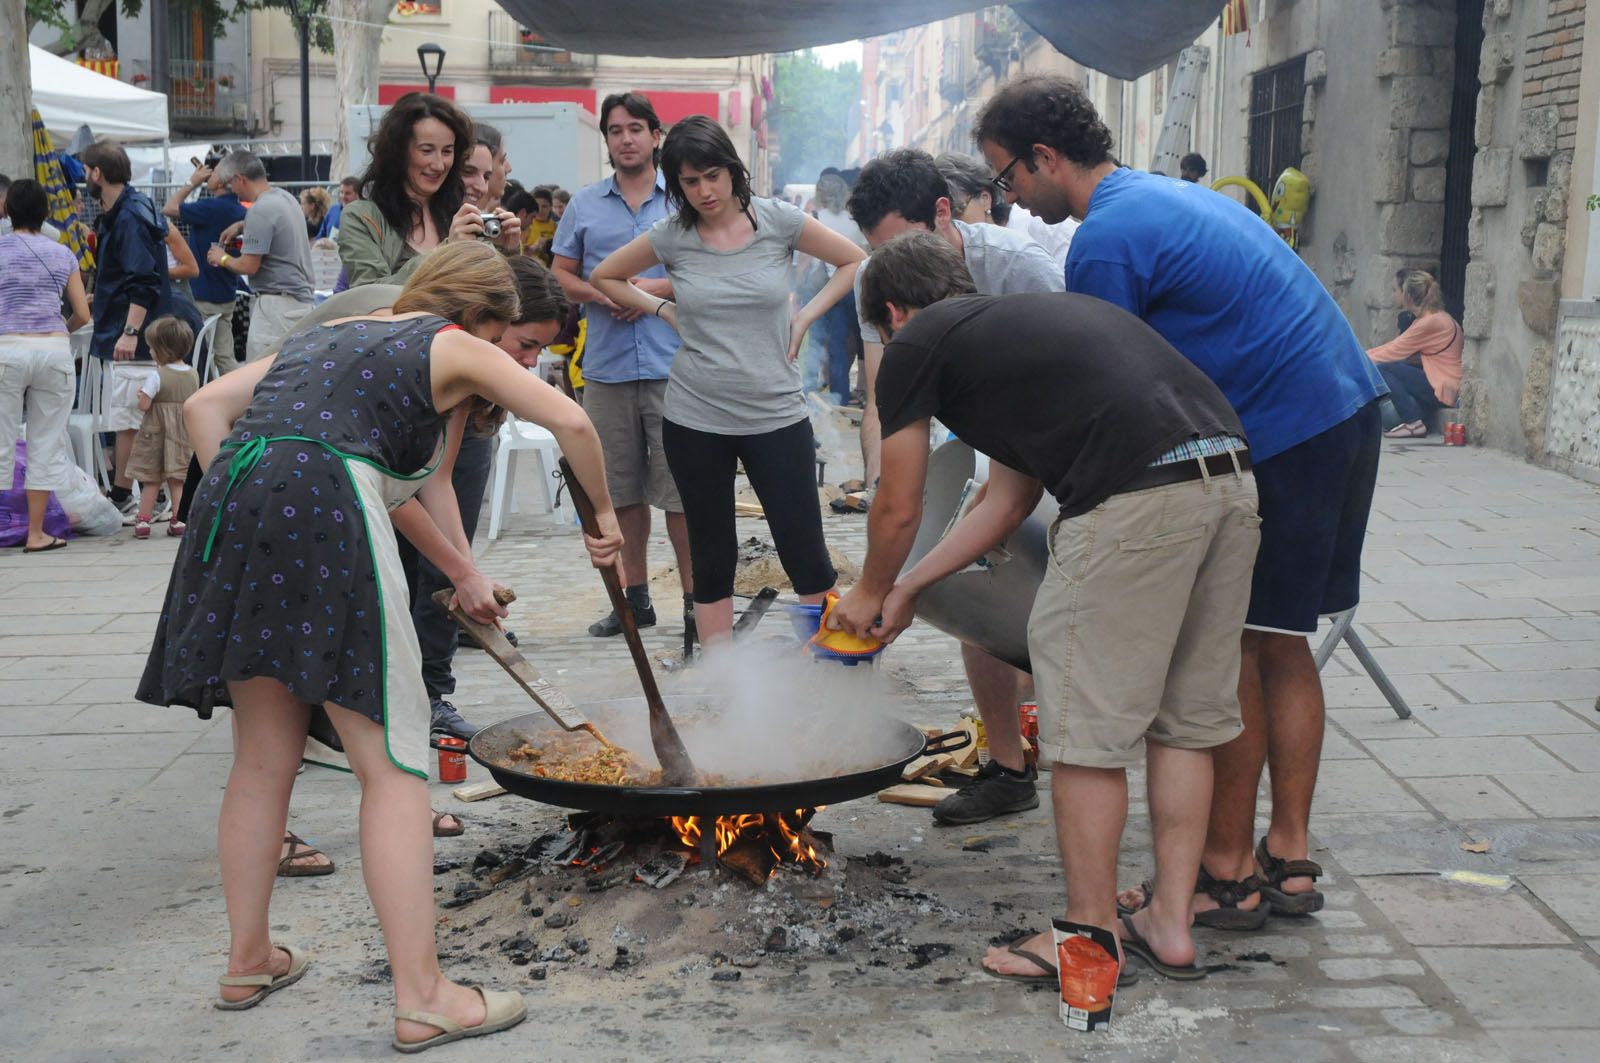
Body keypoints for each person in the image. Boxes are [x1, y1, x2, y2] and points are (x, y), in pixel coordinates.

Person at [136, 241, 621, 1051]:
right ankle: (426, 994)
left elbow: (204, 412)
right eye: (512, 339)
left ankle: (248, 958)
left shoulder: (340, 335)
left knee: (262, 755)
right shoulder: (449, 339)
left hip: (235, 495)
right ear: (477, 316)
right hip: (322, 501)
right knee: (393, 764)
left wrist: (275, 500)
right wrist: (603, 522)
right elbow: (570, 418)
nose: (510, 355)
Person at [975, 74, 1387, 934]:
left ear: (1046, 157)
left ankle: (1226, 874)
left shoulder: (1106, 241)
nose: (1009, 197)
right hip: (1345, 407)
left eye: (1008, 177)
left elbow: (1109, 392)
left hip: (1287, 428)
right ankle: (1290, 856)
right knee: (1282, 639)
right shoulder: (1159, 195)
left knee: (1230, 646)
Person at [833, 229, 1258, 985]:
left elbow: (897, 502)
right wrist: (909, 589)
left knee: (1087, 739)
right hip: (1227, 481)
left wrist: (866, 590)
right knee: (1184, 723)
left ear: (893, 312)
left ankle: (1089, 938)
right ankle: (1170, 920)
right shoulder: (1017, 334)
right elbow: (1007, 498)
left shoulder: (915, 343)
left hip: (1134, 502)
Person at [262, 252, 574, 872]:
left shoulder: (457, 347)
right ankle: (286, 830)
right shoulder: (403, 330)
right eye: (524, 345)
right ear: (488, 317)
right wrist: (460, 572)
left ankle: (397, 801)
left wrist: (466, 571)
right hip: (292, 486)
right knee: (291, 676)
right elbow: (388, 486)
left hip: (332, 484)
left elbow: (434, 480)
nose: (529, 363)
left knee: (369, 663)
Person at [591, 115, 866, 646]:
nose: (704, 191)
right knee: (713, 553)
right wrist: (661, 309)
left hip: (776, 412)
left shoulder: (778, 221)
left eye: (712, 176)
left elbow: (854, 261)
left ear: (732, 170)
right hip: (695, 416)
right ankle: (721, 684)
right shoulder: (672, 236)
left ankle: (826, 665)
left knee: (805, 550)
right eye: (690, 183)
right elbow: (604, 276)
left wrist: (805, 316)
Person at [846, 147, 1061, 827]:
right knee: (972, 579)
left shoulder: (1020, 270)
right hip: (998, 443)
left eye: (900, 243)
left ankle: (1070, 737)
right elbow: (893, 400)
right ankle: (1008, 765)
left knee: (1054, 608)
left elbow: (1063, 385)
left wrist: (879, 587)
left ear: (942, 216)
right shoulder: (891, 284)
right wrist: (896, 566)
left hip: (1071, 445)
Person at [551, 91, 694, 639]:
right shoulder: (585, 205)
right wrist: (600, 293)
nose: (626, 138)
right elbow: (561, 273)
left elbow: (707, 268)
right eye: (615, 130)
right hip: (607, 370)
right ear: (606, 140)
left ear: (656, 135)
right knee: (620, 491)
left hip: (674, 366)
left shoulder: (681, 201)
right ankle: (635, 600)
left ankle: (692, 601)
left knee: (681, 495)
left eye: (636, 128)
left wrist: (648, 290)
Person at [81, 140, 201, 520]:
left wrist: (130, 331)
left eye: (87, 171)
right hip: (139, 331)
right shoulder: (132, 209)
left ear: (97, 173)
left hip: (133, 334)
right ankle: (150, 494)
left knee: (130, 420)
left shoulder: (130, 214)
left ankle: (124, 494)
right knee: (138, 418)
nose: (85, 178)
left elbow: (143, 279)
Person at [337, 92, 521, 290]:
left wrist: (505, 250)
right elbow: (370, 294)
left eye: (447, 151)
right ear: (398, 152)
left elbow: (495, 298)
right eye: (426, 150)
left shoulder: (462, 215)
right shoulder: (362, 217)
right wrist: (447, 252)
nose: (439, 165)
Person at [0, 178, 92, 552]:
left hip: (6, 349)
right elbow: (83, 315)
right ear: (46, 213)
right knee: (45, 441)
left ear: (7, 210)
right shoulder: (62, 253)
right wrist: (61, 332)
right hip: (53, 350)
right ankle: (36, 534)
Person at [205, 150, 316, 363]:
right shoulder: (285, 198)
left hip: (276, 308)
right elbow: (274, 225)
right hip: (297, 303)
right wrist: (241, 226)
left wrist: (222, 258)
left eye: (230, 183)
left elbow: (248, 266)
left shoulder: (260, 210)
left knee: (262, 375)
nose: (231, 189)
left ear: (240, 179)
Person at [163, 157, 247, 375]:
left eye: (215, 171)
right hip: (226, 293)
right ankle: (239, 397)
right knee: (224, 356)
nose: (209, 172)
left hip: (203, 295)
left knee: (198, 355)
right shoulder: (237, 209)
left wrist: (192, 182)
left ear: (222, 182)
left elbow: (169, 208)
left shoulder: (212, 207)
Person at [124, 315, 198, 539]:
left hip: (155, 433)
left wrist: (140, 396)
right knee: (178, 479)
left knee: (151, 480)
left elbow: (144, 405)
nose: (150, 352)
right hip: (182, 434)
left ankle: (143, 521)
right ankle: (179, 520)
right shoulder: (193, 373)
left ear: (162, 350)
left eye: (152, 348)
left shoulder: (157, 375)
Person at [1367, 269, 1461, 438]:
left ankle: (1413, 422)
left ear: (1408, 296)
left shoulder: (1430, 322)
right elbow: (1395, 348)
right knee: (1395, 366)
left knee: (1384, 368)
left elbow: (1392, 351)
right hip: (1442, 384)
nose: (1396, 294)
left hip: (1443, 389)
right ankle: (1412, 418)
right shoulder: (1436, 318)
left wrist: (1356, 358)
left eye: (1399, 291)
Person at [803, 169, 868, 405]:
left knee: (827, 341)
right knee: (854, 342)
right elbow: (864, 252)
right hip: (855, 286)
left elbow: (805, 260)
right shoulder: (854, 220)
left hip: (829, 288)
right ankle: (853, 394)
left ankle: (825, 391)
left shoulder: (815, 218)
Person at [935, 152, 1010, 226]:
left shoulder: (1018, 229)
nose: (950, 226)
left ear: (985, 199)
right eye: (940, 215)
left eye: (957, 212)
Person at [524, 185, 558, 264]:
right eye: (537, 206)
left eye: (544, 206)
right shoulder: (526, 225)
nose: (540, 210)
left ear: (551, 207)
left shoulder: (556, 227)